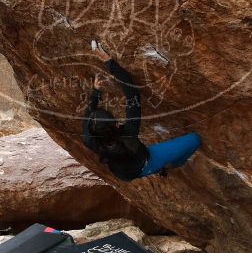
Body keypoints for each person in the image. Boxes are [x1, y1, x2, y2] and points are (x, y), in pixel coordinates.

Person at [82, 41, 201, 181]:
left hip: (123, 173)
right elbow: (132, 93)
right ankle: (174, 163)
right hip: (145, 164)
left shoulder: (89, 138)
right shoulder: (128, 135)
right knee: (194, 140)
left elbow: (89, 113)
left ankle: (162, 165)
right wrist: (109, 62)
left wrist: (96, 91)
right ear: (115, 126)